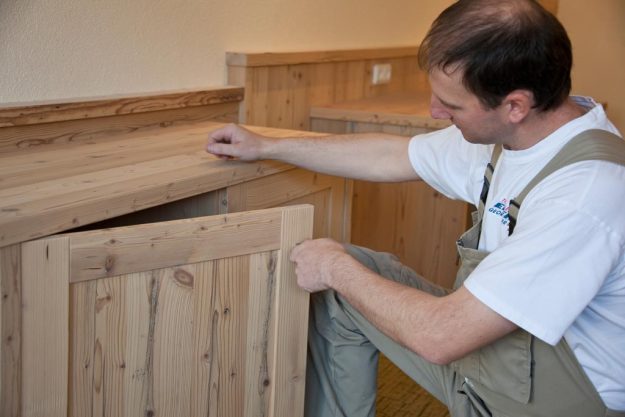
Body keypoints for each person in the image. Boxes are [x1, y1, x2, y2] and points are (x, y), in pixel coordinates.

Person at [206, 0, 625, 415]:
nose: (434, 112)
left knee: (343, 274)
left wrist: (333, 267)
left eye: (452, 105)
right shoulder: (514, 137)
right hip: (492, 362)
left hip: (548, 403)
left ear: (515, 105)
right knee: (345, 287)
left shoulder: (583, 196)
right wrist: (268, 146)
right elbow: (390, 156)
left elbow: (441, 338)